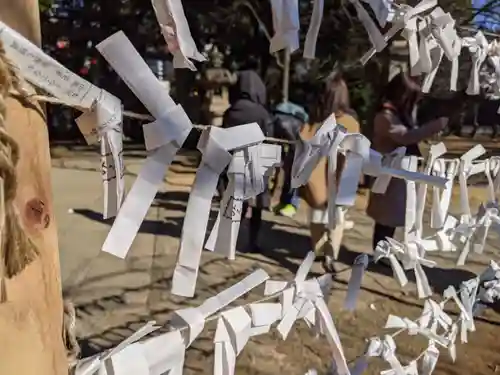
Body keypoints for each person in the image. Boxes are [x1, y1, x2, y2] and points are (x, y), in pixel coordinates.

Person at [366, 71, 448, 251]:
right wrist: (434, 126)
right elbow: (406, 136)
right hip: (388, 170)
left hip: (398, 170)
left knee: (391, 216)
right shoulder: (386, 115)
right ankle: (381, 252)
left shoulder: (397, 112)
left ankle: (385, 250)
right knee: (386, 216)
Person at [301, 71, 361, 273]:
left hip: (317, 180)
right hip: (341, 179)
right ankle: (330, 255)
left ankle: (318, 250)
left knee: (317, 216)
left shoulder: (315, 122)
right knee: (337, 219)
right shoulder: (351, 122)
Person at [220, 70, 274, 253]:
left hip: (235, 163)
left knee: (237, 204)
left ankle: (231, 240)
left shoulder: (231, 112)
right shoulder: (262, 113)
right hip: (257, 163)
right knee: (257, 206)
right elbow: (270, 139)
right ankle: (252, 242)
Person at [272, 101, 309, 218]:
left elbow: (294, 142)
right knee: (289, 172)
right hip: (294, 143)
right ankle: (284, 202)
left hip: (299, 144)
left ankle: (293, 204)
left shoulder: (282, 123)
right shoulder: (279, 122)